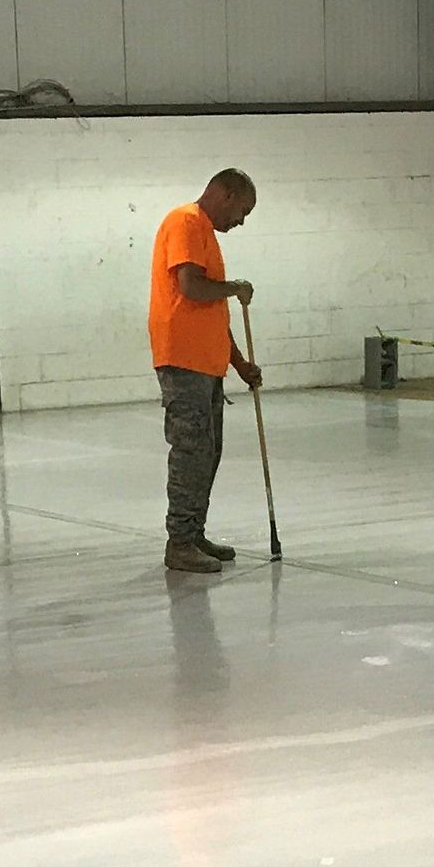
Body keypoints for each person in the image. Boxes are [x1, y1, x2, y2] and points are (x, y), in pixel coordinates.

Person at [148, 169, 263, 574]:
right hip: (184, 361)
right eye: (242, 210)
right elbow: (192, 288)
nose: (241, 221)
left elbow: (212, 310)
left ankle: (193, 534)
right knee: (191, 452)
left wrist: (239, 364)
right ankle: (179, 542)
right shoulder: (185, 222)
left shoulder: (204, 233)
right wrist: (235, 287)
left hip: (205, 363)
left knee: (207, 453)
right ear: (225, 194)